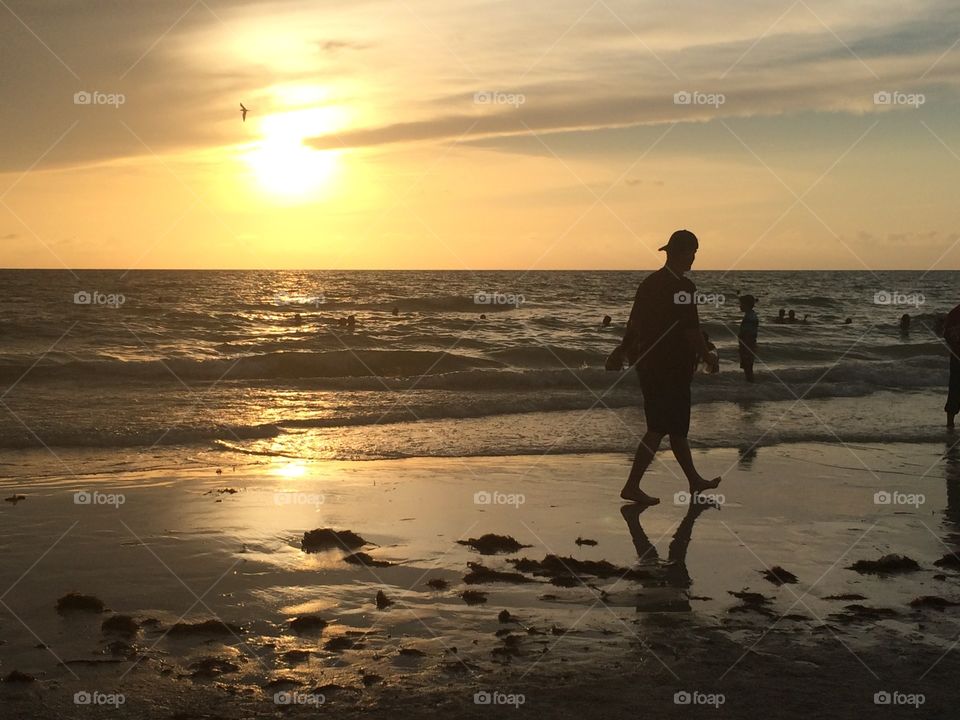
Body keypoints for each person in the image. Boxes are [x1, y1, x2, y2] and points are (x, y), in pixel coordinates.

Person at [605, 229, 721, 505]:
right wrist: (707, 356)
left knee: (676, 427)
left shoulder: (649, 284)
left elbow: (634, 324)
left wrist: (622, 351)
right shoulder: (684, 288)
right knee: (660, 426)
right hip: (673, 368)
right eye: (691, 252)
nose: (693, 258)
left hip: (648, 365)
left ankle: (694, 480)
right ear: (680, 253)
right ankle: (632, 485)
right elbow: (691, 331)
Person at [944, 303, 960, 429]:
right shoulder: (954, 313)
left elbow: (947, 335)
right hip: (957, 356)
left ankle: (950, 423)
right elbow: (948, 335)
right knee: (954, 387)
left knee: (954, 388)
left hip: (956, 356)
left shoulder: (954, 313)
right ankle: (950, 422)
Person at [738, 294, 759, 383]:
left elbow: (749, 334)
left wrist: (745, 347)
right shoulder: (750, 315)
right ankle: (750, 384)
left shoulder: (750, 317)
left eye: (741, 304)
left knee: (748, 367)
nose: (740, 306)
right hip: (748, 344)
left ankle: (751, 384)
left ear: (746, 305)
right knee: (747, 367)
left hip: (748, 345)